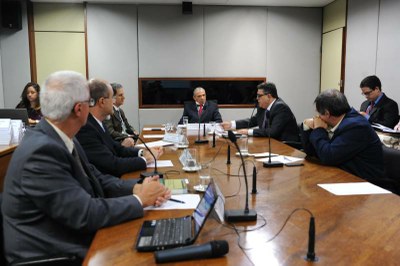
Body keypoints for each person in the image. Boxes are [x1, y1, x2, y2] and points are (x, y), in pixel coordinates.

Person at [1, 71, 170, 263]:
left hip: (74, 237)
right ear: (79, 109)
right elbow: (85, 213)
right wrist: (140, 199)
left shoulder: (61, 136)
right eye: (90, 102)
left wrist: (135, 187)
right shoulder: (40, 153)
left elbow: (97, 178)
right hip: (58, 254)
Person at [76, 78, 163, 177]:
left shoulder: (98, 122)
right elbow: (112, 164)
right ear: (102, 102)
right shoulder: (86, 128)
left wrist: (143, 152)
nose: (113, 102)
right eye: (111, 98)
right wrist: (145, 160)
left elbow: (118, 149)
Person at [301, 89, 384, 181]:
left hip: (364, 182)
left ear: (327, 114)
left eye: (319, 113)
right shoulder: (339, 121)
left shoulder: (356, 126)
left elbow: (328, 156)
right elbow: (312, 152)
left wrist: (318, 129)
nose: (317, 117)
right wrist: (306, 126)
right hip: (341, 174)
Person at [221, 82, 299, 141]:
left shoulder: (280, 107)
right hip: (270, 143)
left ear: (269, 96)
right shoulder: (262, 107)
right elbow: (253, 121)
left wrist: (248, 132)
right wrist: (231, 124)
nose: (257, 98)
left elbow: (272, 132)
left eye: (259, 96)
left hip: (286, 146)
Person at [104, 83, 138, 147]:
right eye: (120, 95)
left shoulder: (120, 111)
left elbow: (127, 126)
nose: (124, 97)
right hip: (120, 143)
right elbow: (111, 132)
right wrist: (127, 136)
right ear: (113, 98)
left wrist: (133, 131)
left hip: (129, 139)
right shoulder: (108, 112)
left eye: (123, 95)